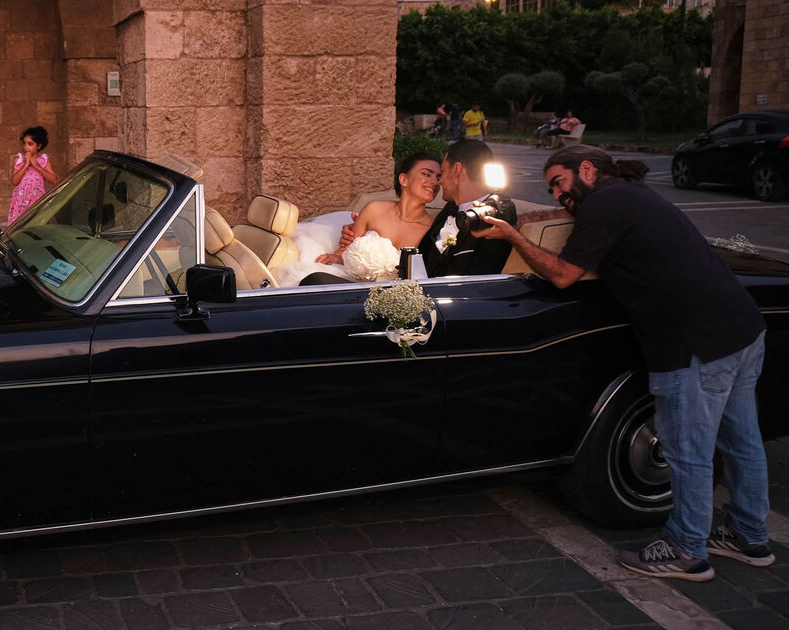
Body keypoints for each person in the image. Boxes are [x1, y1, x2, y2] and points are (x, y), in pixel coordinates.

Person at [474, 145, 771, 582]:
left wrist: (512, 236)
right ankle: (750, 536)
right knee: (742, 442)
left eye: (559, 182)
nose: (556, 195)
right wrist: (528, 220)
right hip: (741, 329)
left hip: (693, 344)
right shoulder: (628, 192)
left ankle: (687, 549)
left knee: (687, 453)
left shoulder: (604, 203)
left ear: (587, 170)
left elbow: (563, 275)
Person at [283, 153, 441, 286]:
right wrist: (341, 257)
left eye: (438, 177)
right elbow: (344, 251)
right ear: (403, 180)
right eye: (426, 174)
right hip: (351, 281)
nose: (434, 182)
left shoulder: (431, 229)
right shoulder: (374, 209)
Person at [417, 139, 512, 278]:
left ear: (456, 170)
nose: (439, 181)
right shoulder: (450, 209)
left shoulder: (496, 217)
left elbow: (480, 280)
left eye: (442, 172)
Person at [8, 125, 58, 223]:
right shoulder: (19, 160)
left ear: (38, 146)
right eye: (24, 143)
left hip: (36, 201)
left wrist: (38, 166)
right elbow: (14, 181)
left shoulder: (44, 160)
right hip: (21, 200)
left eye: (30, 144)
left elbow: (54, 180)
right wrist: (26, 164)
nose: (26, 147)